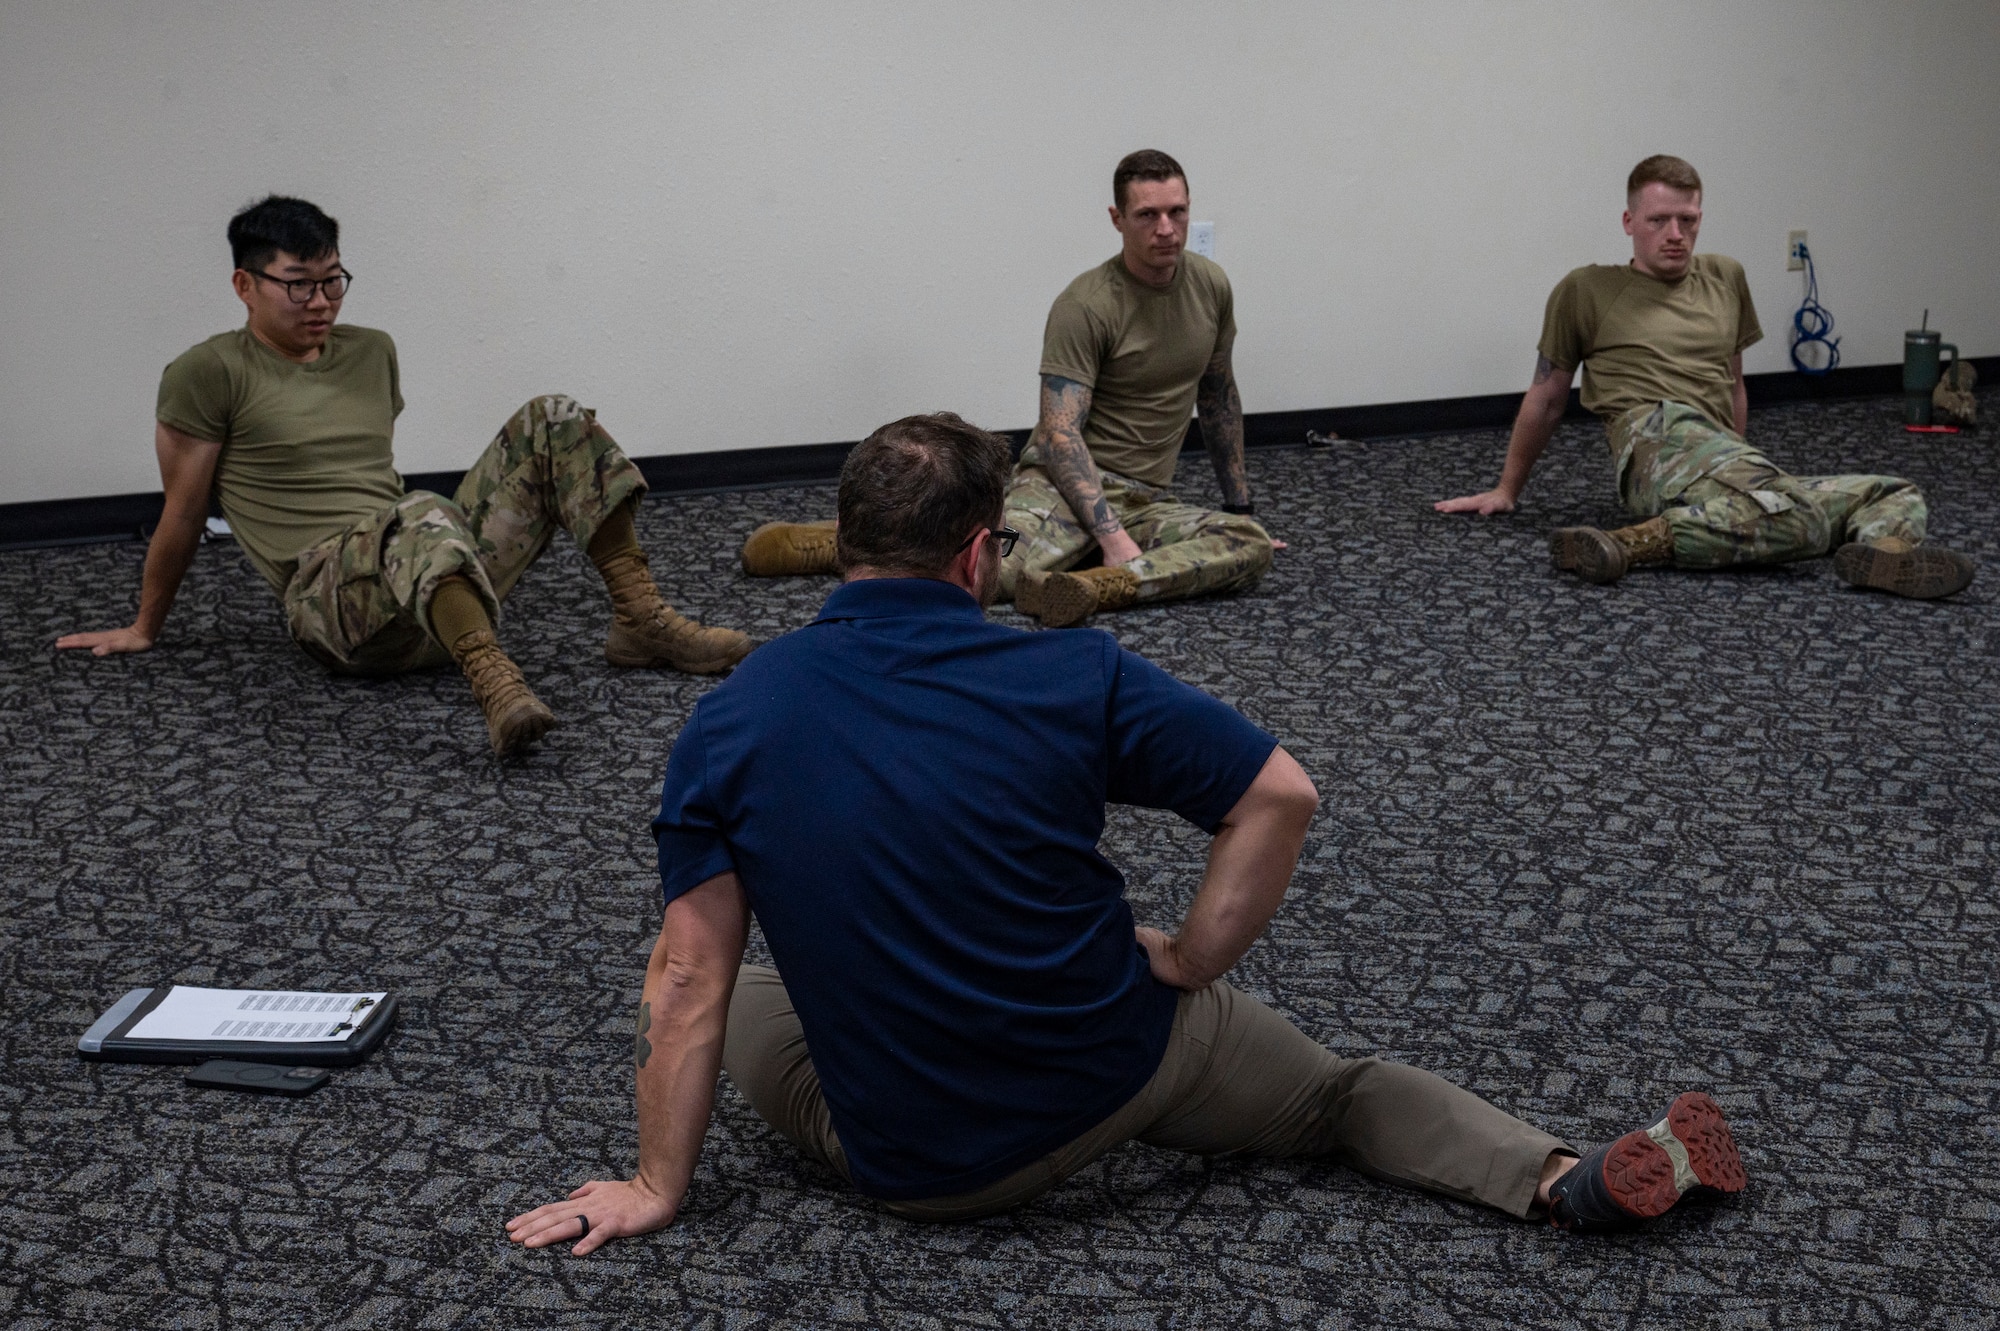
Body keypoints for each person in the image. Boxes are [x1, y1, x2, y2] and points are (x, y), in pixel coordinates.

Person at [505, 411, 1746, 1256]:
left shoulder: (728, 720)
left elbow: (685, 978)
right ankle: (1557, 1175)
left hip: (915, 1163)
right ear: (982, 553)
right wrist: (1194, 959)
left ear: (843, 543)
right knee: (1334, 1095)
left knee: (740, 985)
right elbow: (1282, 792)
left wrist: (658, 1185)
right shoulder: (1074, 672)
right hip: (1120, 1057)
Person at [55, 196, 754, 755]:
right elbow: (182, 509)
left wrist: (421, 537)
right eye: (298, 286)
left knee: (554, 417)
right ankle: (491, 679)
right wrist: (146, 626)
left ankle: (641, 619)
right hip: (329, 605)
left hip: (418, 560)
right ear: (245, 284)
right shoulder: (207, 372)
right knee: (419, 511)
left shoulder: (372, 351)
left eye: (333, 281)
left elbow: (369, 473)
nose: (322, 301)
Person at [737, 150, 1278, 628]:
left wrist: (1241, 506)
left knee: (1248, 548)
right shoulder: (1087, 304)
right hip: (1065, 484)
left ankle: (1099, 587)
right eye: (1148, 215)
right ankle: (849, 540)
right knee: (985, 575)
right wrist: (1113, 539)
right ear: (1117, 219)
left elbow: (1217, 394)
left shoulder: (1211, 286)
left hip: (1146, 498)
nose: (1167, 229)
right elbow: (1061, 435)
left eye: (1177, 212)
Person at [1435, 155, 1976, 600]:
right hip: (1654, 436)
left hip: (1717, 453)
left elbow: (1732, 383)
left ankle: (1882, 560)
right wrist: (1508, 489)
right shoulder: (1585, 289)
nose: (1675, 234)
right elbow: (1548, 395)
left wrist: (1742, 466)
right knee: (1804, 523)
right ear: (1629, 222)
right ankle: (1634, 541)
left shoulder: (1726, 276)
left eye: (1688, 220)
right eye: (1658, 221)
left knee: (1895, 492)